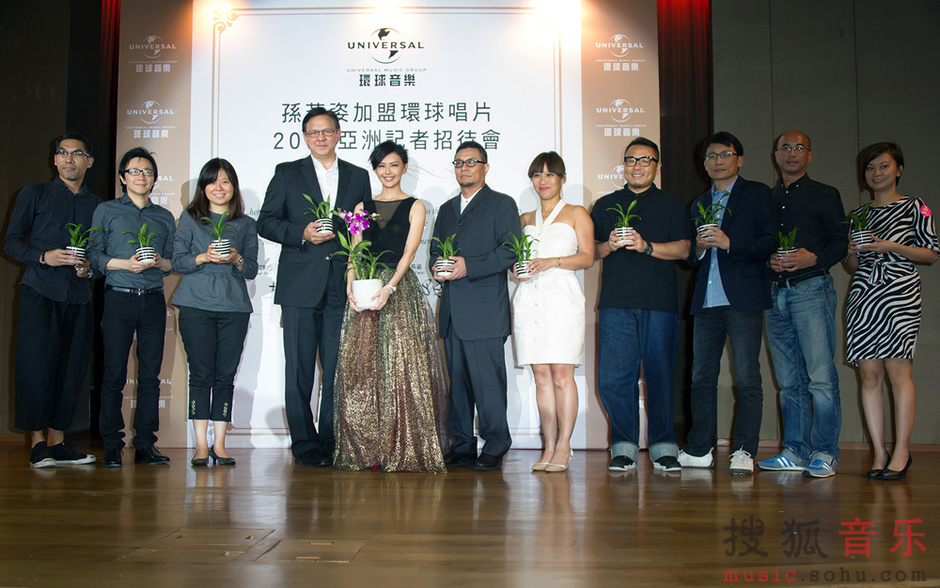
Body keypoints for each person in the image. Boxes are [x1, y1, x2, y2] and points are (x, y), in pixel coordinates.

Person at [257, 107, 370, 467]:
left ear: (339, 134)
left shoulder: (357, 176)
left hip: (341, 285)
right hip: (299, 285)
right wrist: (301, 233)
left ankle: (331, 440)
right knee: (299, 369)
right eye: (314, 132)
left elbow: (363, 227)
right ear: (305, 137)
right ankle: (304, 443)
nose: (321, 137)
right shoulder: (287, 173)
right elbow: (266, 222)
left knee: (337, 370)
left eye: (327, 131)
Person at [333, 141, 450, 472]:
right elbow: (355, 251)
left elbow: (410, 253)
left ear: (404, 168)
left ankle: (403, 448)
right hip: (364, 289)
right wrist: (350, 283)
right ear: (375, 169)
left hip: (397, 291)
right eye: (381, 166)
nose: (388, 172)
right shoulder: (362, 206)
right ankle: (367, 450)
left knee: (401, 370)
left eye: (394, 165)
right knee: (364, 371)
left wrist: (390, 287)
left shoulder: (416, 206)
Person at [591, 137, 691, 472]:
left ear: (657, 166)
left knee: (660, 374)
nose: (637, 166)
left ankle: (664, 446)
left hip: (658, 303)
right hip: (615, 302)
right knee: (614, 379)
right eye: (631, 160)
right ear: (623, 165)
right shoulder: (605, 204)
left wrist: (646, 246)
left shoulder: (671, 203)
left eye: (645, 160)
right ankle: (623, 446)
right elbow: (591, 252)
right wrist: (609, 245)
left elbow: (684, 249)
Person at [678, 132, 776, 476]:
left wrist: (729, 242)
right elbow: (692, 257)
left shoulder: (757, 194)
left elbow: (769, 242)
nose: (718, 161)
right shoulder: (699, 202)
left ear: (740, 159)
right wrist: (700, 247)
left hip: (743, 299)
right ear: (703, 164)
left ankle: (744, 450)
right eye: (711, 156)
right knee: (701, 377)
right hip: (706, 301)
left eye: (725, 154)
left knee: (747, 377)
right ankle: (699, 449)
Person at [3, 133, 101, 468]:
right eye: (63, 153)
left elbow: (99, 253)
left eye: (77, 154)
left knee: (71, 369)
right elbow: (11, 242)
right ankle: (37, 443)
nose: (69, 159)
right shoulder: (34, 194)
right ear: (55, 159)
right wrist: (43, 256)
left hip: (78, 296)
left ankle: (58, 442)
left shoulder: (97, 206)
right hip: (40, 291)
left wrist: (90, 268)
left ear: (89, 161)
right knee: (35, 366)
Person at [757, 130, 847, 478]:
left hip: (811, 289)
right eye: (785, 148)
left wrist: (814, 258)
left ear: (809, 155)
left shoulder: (825, 194)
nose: (792, 153)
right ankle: (795, 449)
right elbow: (759, 243)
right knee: (788, 381)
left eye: (799, 148)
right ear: (775, 155)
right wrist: (767, 260)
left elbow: (840, 242)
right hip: (774, 294)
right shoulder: (766, 198)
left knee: (820, 378)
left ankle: (824, 451)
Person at [845, 142, 937, 480]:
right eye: (871, 168)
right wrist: (851, 251)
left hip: (899, 296)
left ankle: (901, 451)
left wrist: (890, 246)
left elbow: (931, 253)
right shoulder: (859, 214)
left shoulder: (915, 206)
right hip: (863, 297)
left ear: (898, 169)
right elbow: (852, 267)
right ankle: (879, 451)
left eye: (884, 166)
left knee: (899, 374)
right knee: (869, 375)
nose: (877, 173)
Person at [432, 140, 522, 471]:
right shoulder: (446, 209)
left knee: (488, 385)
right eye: (459, 162)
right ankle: (462, 445)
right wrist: (436, 266)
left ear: (485, 167)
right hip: (452, 312)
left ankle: (496, 443)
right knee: (457, 386)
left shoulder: (502, 204)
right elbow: (435, 251)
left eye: (471, 162)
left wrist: (468, 266)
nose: (464, 168)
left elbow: (510, 251)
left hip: (484, 312)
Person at [88, 147, 176, 467]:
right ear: (123, 177)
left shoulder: (164, 217)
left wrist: (159, 262)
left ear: (154, 179)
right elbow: (94, 254)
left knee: (150, 375)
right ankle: (112, 444)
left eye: (147, 172)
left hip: (152, 300)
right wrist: (126, 264)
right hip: (118, 298)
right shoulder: (107, 210)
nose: (141, 176)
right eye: (135, 171)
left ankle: (145, 444)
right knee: (114, 372)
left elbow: (171, 262)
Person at [171, 159, 258, 467]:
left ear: (233, 186)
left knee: (225, 376)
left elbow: (251, 269)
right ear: (203, 187)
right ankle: (200, 445)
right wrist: (202, 257)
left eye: (225, 181)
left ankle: (219, 444)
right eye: (212, 181)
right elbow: (177, 261)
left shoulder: (245, 224)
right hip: (195, 305)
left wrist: (235, 259)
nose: (218, 188)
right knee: (200, 374)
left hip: (233, 307)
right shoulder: (190, 218)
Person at [511, 151, 594, 473]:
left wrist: (551, 262)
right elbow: (514, 261)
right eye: (537, 175)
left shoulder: (576, 213)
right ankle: (548, 445)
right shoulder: (524, 219)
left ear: (562, 179)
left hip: (562, 298)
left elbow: (587, 256)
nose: (543, 181)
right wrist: (515, 270)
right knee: (541, 377)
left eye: (549, 174)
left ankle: (564, 445)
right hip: (529, 298)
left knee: (561, 374)